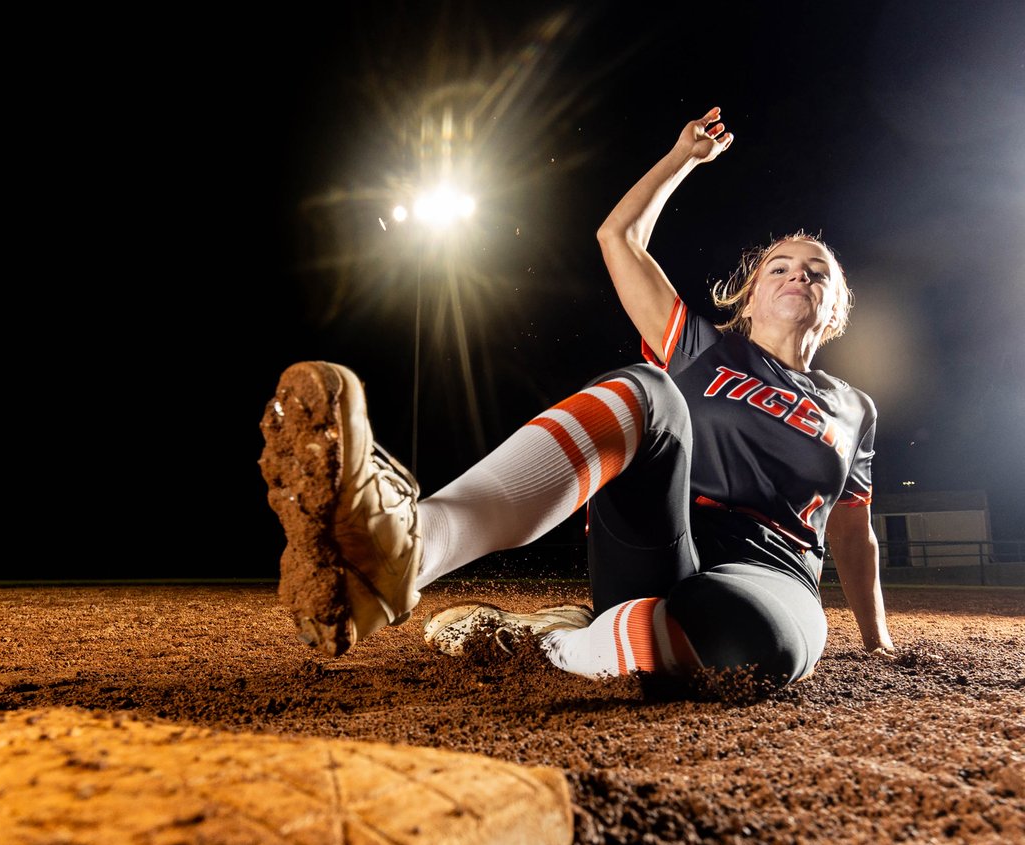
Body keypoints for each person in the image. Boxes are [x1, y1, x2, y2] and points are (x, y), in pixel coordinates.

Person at [259, 107, 894, 689]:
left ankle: (557, 642)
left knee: (748, 643)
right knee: (648, 389)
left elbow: (852, 534)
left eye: (817, 272)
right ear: (749, 297)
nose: (798, 275)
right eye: (779, 267)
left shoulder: (853, 408)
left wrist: (876, 639)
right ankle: (406, 550)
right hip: (658, 544)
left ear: (834, 307)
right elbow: (618, 239)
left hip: (773, 578)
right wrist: (681, 160)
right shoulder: (704, 348)